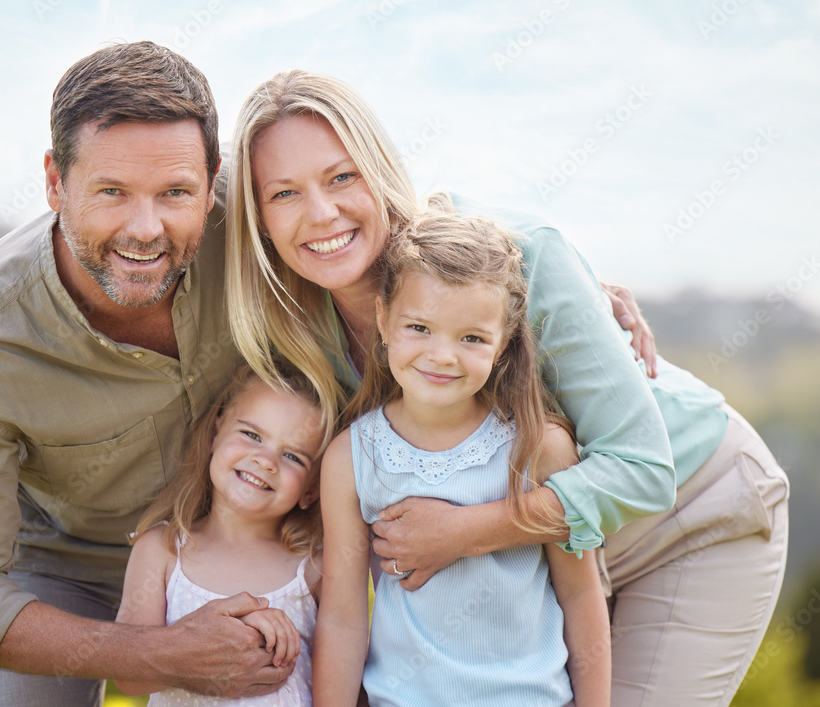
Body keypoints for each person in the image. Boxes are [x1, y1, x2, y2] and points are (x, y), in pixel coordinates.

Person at [226, 70, 789, 705]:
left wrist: (463, 532)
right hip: (536, 568)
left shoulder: (520, 256)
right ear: (258, 218)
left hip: (688, 512)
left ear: (379, 169)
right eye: (283, 193)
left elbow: (644, 469)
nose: (321, 213)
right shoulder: (299, 331)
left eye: (342, 176)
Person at [0, 42, 293, 706]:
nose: (146, 230)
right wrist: (158, 653)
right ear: (57, 181)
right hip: (71, 568)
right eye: (112, 191)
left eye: (176, 192)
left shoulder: (263, 221)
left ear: (214, 180)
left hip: (252, 534)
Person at [315, 200, 610, 706]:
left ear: (503, 343)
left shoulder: (539, 448)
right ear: (383, 320)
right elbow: (343, 617)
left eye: (471, 337)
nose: (442, 355)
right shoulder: (352, 459)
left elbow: (581, 595)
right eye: (420, 328)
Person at [114, 362, 326, 706]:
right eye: (252, 435)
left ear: (311, 490)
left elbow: (345, 672)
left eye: (292, 456)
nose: (266, 460)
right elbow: (128, 675)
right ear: (215, 434)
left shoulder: (314, 566)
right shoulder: (162, 549)